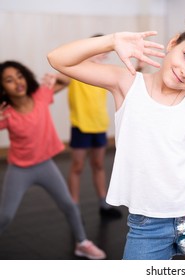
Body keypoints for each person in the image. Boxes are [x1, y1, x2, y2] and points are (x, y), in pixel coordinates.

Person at [47, 25, 185, 260]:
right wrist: (112, 40)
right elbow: (58, 59)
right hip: (148, 224)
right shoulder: (127, 82)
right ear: (173, 43)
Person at [0, 60, 106, 260]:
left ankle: (82, 243)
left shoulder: (40, 95)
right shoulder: (6, 114)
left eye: (20, 76)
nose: (17, 82)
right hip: (20, 170)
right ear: (2, 88)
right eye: (9, 80)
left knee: (69, 205)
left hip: (46, 165)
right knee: (5, 216)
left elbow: (66, 81)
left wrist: (55, 77)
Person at [55, 34, 122, 219]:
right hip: (80, 126)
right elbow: (60, 76)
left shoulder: (103, 72)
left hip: (99, 125)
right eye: (101, 50)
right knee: (77, 166)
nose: (103, 55)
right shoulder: (76, 69)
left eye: (106, 52)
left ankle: (103, 204)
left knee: (99, 165)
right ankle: (73, 208)